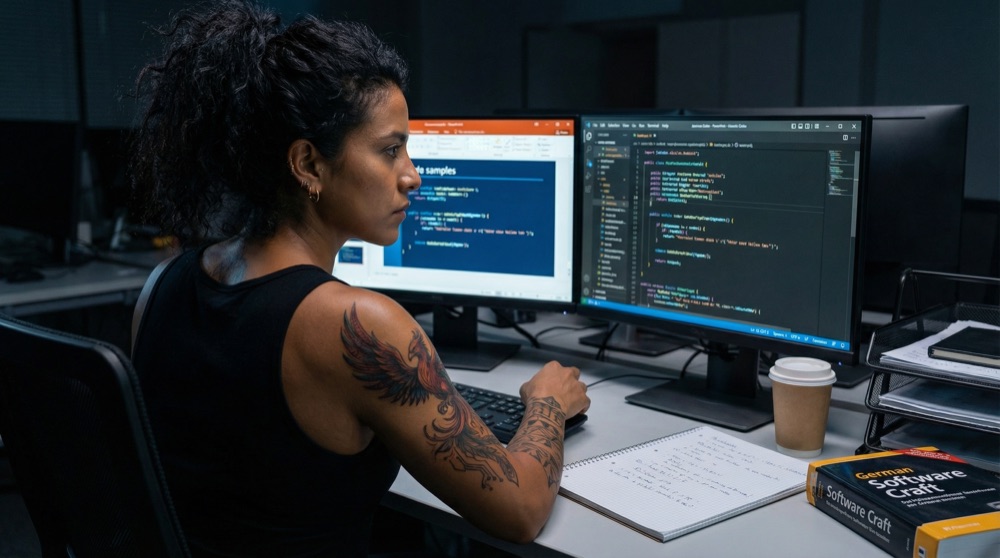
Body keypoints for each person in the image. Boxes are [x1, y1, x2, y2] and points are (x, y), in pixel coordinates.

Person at [127, 1, 591, 556]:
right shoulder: (356, 325)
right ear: (308, 165)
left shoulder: (162, 285)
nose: (413, 176)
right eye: (390, 149)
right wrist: (546, 406)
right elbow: (519, 511)